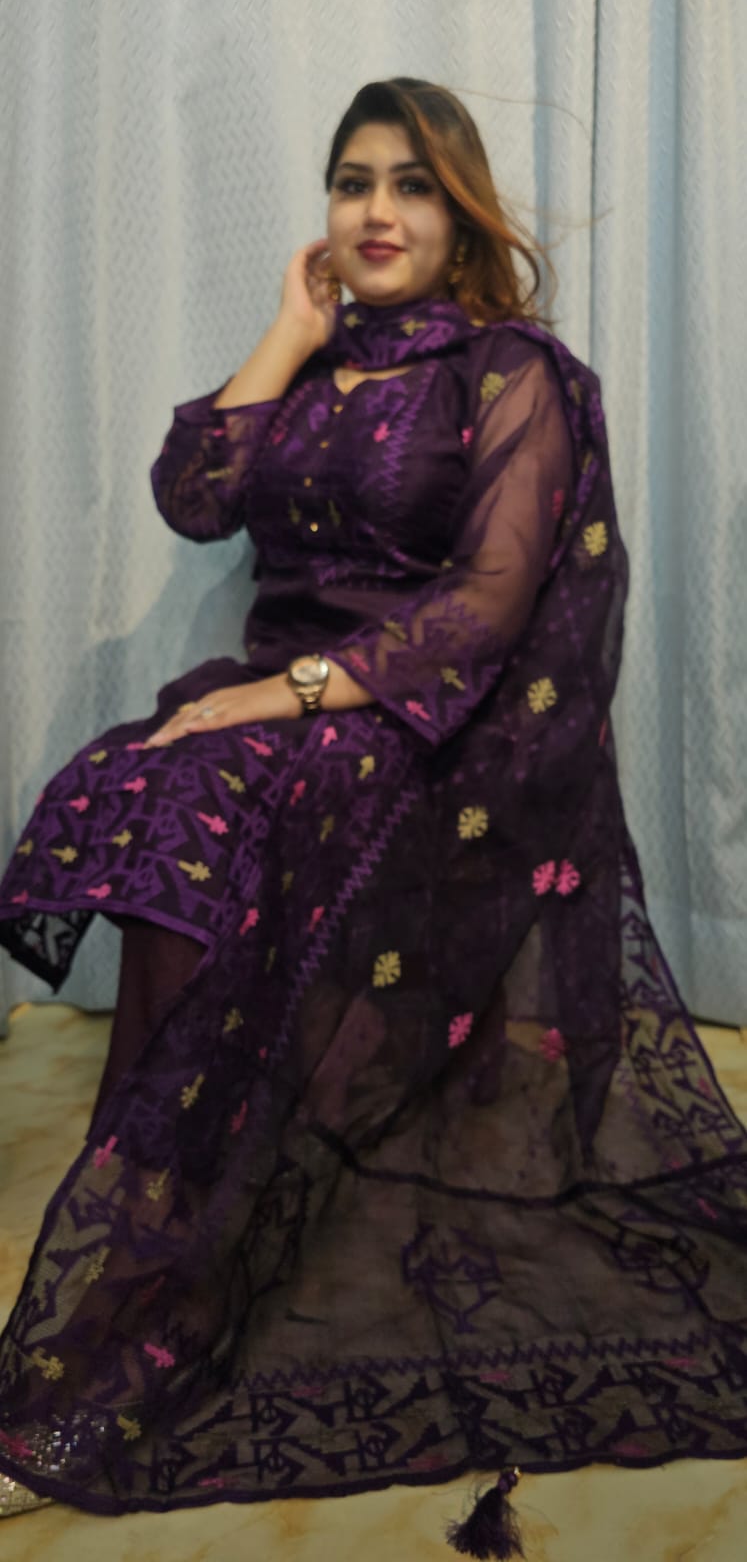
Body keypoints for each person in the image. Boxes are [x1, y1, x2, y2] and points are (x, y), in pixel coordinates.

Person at [0, 77, 745, 1558]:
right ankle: (167, 1197)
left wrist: (286, 701)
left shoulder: (512, 373)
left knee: (218, 791)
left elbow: (487, 606)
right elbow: (193, 494)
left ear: (460, 212)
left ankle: (150, 1285)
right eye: (354, 183)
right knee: (147, 792)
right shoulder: (321, 366)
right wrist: (285, 334)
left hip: (428, 724)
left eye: (411, 185)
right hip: (282, 701)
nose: (378, 212)